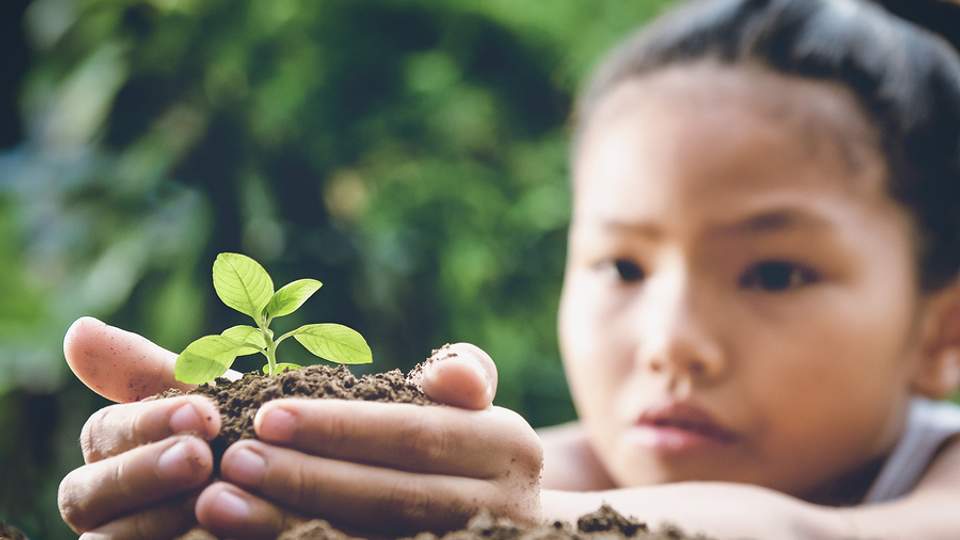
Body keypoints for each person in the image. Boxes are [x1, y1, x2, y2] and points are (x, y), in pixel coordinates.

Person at [57, 0, 960, 538]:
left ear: (942, 331)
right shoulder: (554, 471)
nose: (671, 344)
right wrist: (239, 470)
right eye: (621, 265)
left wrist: (533, 523)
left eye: (773, 273)